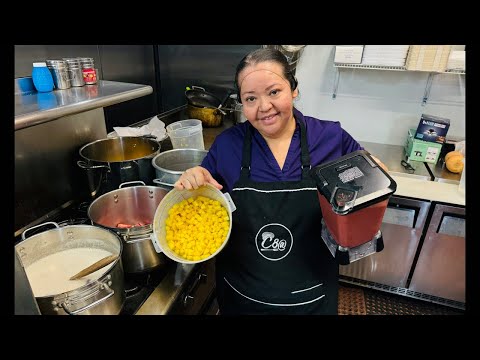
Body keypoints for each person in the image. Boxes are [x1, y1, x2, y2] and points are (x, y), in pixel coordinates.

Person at [174, 48, 387, 315]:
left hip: (310, 297)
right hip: (243, 295)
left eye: (274, 92)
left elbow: (368, 181)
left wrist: (375, 174)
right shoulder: (228, 144)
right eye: (251, 98)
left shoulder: (331, 138)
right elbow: (203, 206)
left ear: (294, 89)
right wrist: (194, 180)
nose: (264, 107)